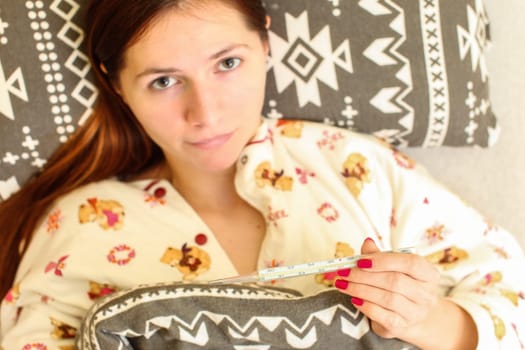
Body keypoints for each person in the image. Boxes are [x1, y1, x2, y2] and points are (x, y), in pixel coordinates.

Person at [0, 0, 524, 348]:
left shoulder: (358, 170)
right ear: (116, 85)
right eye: (163, 81)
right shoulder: (82, 226)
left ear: (266, 45)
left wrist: (429, 321)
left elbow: (513, 299)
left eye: (228, 64)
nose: (206, 112)